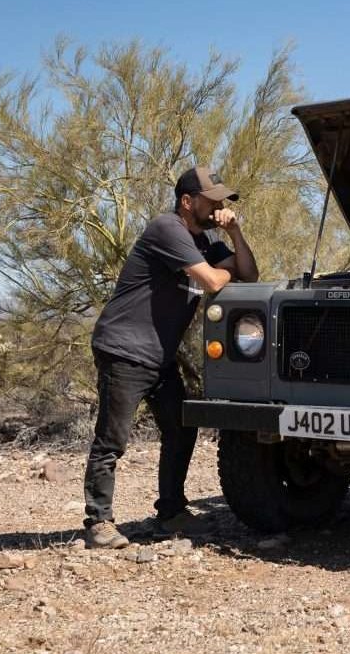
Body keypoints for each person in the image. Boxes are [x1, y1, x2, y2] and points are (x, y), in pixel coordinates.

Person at [83, 166, 259, 548]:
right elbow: (212, 282)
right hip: (124, 350)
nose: (217, 207)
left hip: (160, 357)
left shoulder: (206, 241)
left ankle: (172, 512)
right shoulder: (167, 229)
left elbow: (248, 271)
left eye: (220, 201)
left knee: (181, 426)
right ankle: (99, 522)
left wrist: (234, 233)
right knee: (112, 439)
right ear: (187, 201)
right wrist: (218, 271)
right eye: (211, 200)